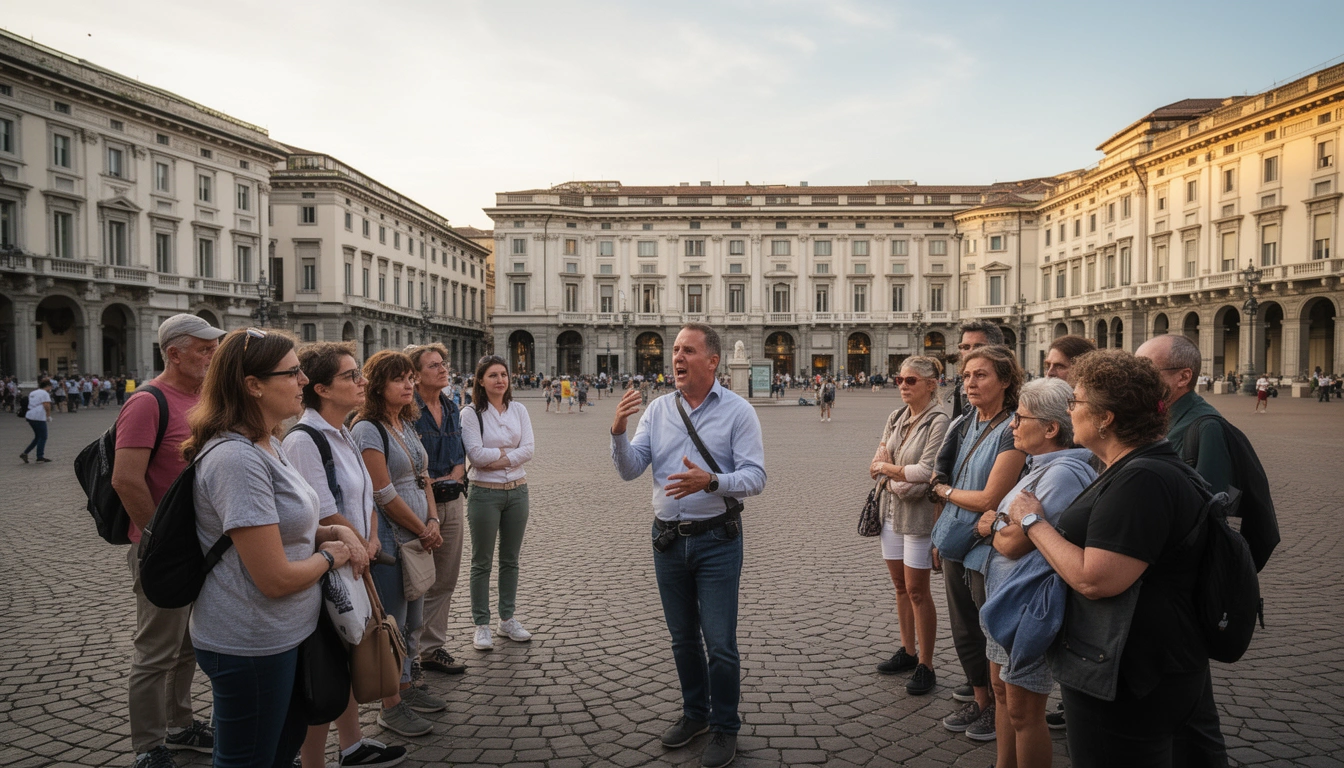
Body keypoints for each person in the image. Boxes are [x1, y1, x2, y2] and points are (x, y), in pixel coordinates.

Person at [1006, 349, 1222, 766]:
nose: (1070, 410)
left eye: (1077, 401)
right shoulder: (1137, 467)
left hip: (1131, 669)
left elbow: (1096, 579)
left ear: (1105, 417)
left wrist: (1033, 522)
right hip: (1142, 660)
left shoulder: (1141, 478)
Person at [184, 328, 368, 768]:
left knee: (281, 750)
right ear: (254, 385)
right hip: (250, 640)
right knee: (248, 758)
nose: (304, 380)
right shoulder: (237, 460)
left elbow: (288, 529)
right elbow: (274, 578)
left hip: (284, 633)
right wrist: (330, 557)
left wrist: (329, 533)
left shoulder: (268, 442)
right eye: (292, 372)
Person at [611, 323, 766, 768]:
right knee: (682, 639)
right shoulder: (659, 410)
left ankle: (725, 726)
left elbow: (755, 477)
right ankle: (695, 714)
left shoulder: (738, 412)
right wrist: (618, 430)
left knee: (719, 642)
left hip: (717, 539)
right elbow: (630, 469)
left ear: (713, 361)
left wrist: (712, 480)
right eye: (675, 350)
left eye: (688, 351)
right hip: (666, 540)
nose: (676, 357)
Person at [285, 342, 410, 767]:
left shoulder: (343, 429)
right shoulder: (305, 440)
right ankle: (313, 760)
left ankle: (353, 745)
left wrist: (371, 539)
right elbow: (322, 510)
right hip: (331, 565)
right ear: (320, 387)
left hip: (357, 556)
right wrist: (359, 544)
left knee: (350, 654)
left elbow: (367, 496)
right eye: (350, 375)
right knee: (327, 672)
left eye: (359, 374)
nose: (361, 382)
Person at [111, 314, 225, 767]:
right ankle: (148, 745)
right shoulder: (146, 402)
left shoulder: (203, 398)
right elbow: (126, 480)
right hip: (162, 549)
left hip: (199, 547)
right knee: (156, 650)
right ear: (174, 353)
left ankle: (179, 724)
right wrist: (160, 540)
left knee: (187, 645)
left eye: (214, 349)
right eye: (203, 350)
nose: (212, 357)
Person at [979, 378, 1096, 768]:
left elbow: (1014, 542)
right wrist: (1002, 524)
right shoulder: (1038, 467)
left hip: (1029, 609)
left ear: (1050, 428)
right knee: (1002, 694)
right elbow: (1010, 527)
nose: (1011, 425)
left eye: (1020, 417)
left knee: (1024, 712)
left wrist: (992, 526)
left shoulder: (1063, 474)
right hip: (1008, 602)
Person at [930, 345, 1027, 742]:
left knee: (990, 629)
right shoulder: (965, 421)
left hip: (989, 544)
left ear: (1006, 381)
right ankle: (981, 698)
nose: (970, 382)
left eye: (981, 375)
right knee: (963, 627)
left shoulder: (1014, 429)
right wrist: (939, 534)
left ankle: (998, 710)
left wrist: (945, 492)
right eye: (967, 375)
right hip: (956, 538)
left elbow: (990, 497)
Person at [352, 350, 448, 734]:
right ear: (378, 386)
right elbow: (382, 492)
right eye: (399, 379)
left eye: (410, 377)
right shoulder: (367, 429)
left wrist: (434, 519)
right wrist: (422, 528)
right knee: (390, 622)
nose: (409, 384)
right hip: (392, 542)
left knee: (412, 620)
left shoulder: (404, 423)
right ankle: (389, 704)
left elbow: (424, 477)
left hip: (418, 535)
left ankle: (407, 685)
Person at [868, 356, 950, 696]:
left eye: (911, 380)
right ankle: (908, 649)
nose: (902, 385)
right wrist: (894, 473)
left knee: (918, 590)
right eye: (900, 379)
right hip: (890, 512)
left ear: (931, 384)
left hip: (919, 518)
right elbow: (876, 462)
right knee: (900, 586)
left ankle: (926, 664)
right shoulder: (896, 416)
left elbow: (926, 473)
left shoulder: (939, 421)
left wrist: (889, 472)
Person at [461, 355, 535, 651]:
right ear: (481, 380)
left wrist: (499, 456)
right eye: (493, 375)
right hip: (484, 493)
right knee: (481, 561)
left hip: (518, 492)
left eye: (503, 374)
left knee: (510, 560)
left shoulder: (519, 409)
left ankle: (507, 619)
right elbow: (475, 456)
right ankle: (481, 624)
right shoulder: (470, 413)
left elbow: (529, 449)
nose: (500, 380)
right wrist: (507, 454)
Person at [408, 343, 469, 678]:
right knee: (416, 582)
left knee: (445, 579)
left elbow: (459, 455)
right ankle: (409, 656)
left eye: (443, 363)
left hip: (453, 502)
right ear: (415, 376)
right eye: (433, 365)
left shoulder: (451, 405)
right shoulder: (408, 410)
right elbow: (415, 468)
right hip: (419, 507)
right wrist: (436, 482)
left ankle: (431, 649)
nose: (443, 369)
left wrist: (454, 475)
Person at [19, 377, 53, 464]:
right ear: (48, 386)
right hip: (38, 416)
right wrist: (48, 416)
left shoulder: (33, 392)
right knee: (43, 436)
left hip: (30, 415)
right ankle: (40, 456)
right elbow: (46, 405)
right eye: (50, 387)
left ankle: (25, 453)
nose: (50, 389)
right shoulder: (44, 393)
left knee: (38, 437)